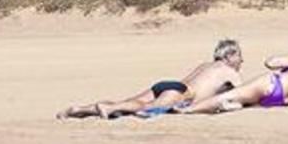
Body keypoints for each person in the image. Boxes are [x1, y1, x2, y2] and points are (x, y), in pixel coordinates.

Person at [56, 39, 245, 119]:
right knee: (145, 108)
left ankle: (81, 109)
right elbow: (243, 94)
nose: (242, 60)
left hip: (169, 84)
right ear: (229, 56)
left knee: (132, 101)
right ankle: (109, 107)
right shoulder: (229, 71)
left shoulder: (205, 65)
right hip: (182, 93)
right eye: (239, 56)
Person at [175, 42, 288, 114]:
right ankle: (238, 105)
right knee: (242, 101)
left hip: (272, 85)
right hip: (283, 101)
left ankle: (188, 110)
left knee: (227, 96)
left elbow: (270, 63)